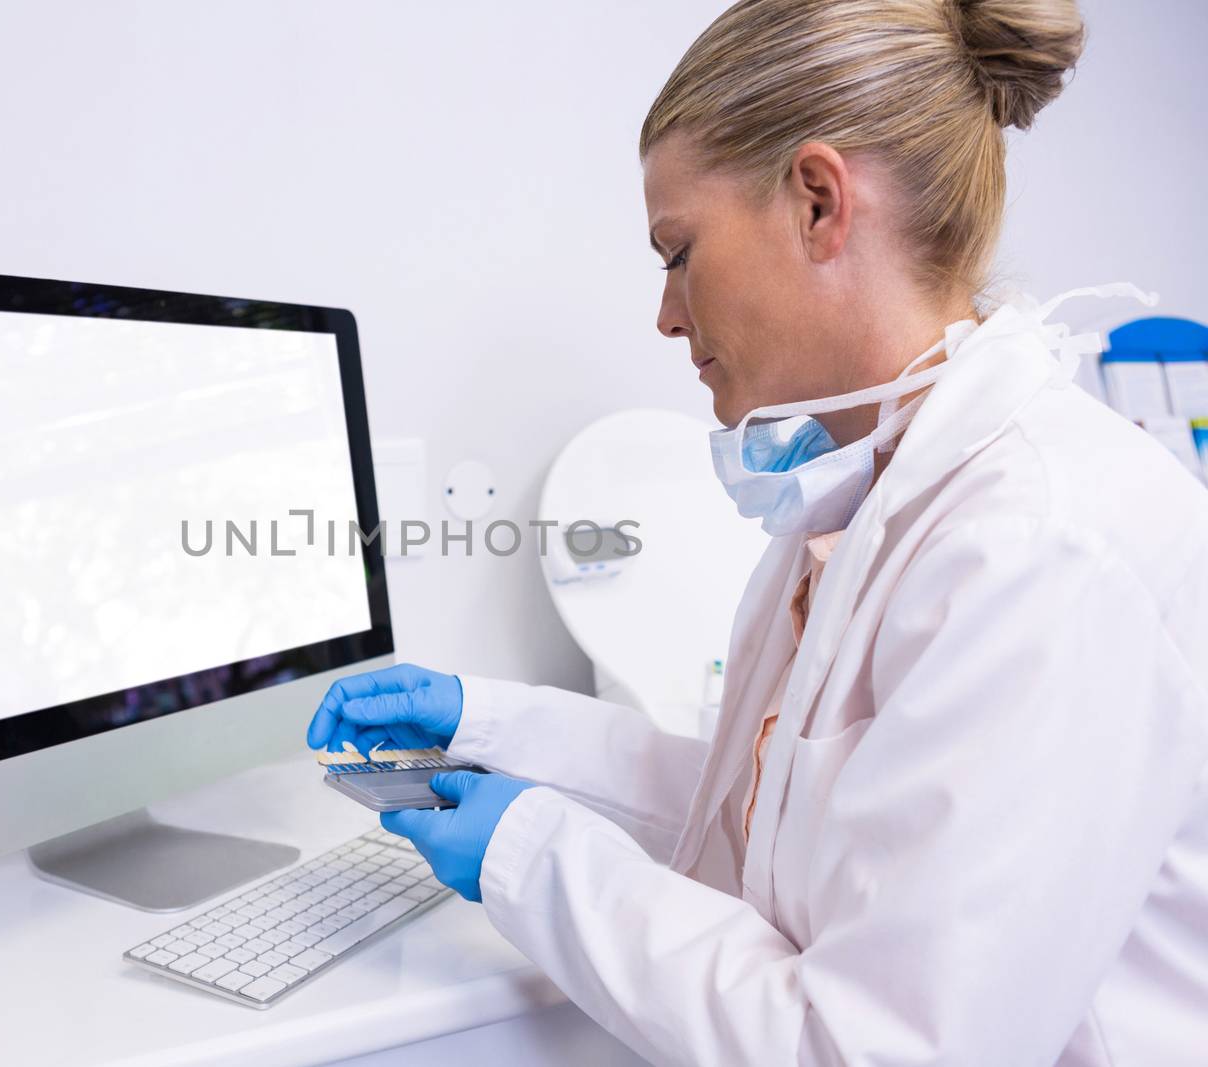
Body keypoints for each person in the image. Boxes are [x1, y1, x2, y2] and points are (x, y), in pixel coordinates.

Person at [306, 1, 1208, 1063]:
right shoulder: (859, 496)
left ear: (819, 203)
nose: (666, 315)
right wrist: (492, 727)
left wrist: (530, 849)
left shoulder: (1044, 549)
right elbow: (763, 823)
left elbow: (869, 1046)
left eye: (676, 251)